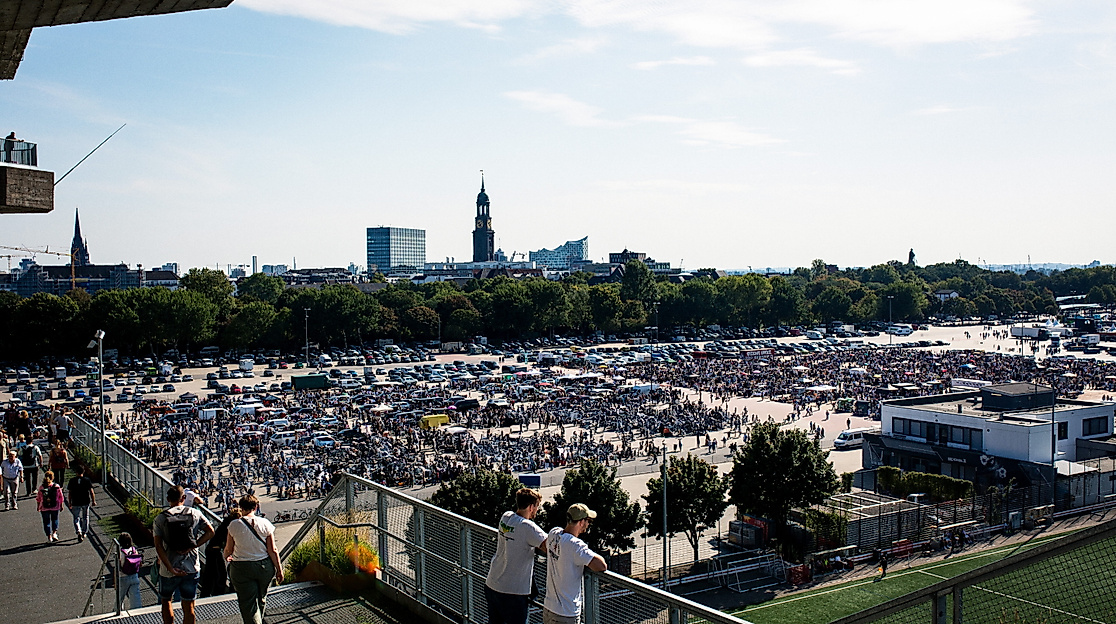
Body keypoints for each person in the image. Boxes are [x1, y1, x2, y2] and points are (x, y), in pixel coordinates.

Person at [485, 488, 547, 624]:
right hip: (513, 592)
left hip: (493, 583)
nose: (537, 510)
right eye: (536, 506)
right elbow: (550, 546)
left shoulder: (506, 517)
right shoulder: (528, 527)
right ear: (531, 507)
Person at [154, 485, 215, 624]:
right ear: (184, 498)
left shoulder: (160, 518)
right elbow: (210, 532)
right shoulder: (195, 513)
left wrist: (169, 568)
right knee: (189, 606)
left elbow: (158, 546)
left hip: (169, 567)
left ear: (168, 499)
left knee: (166, 601)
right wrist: (193, 545)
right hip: (191, 566)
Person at [223, 494, 283, 624]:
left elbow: (228, 549)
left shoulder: (234, 525)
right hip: (264, 566)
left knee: (248, 603)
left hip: (242, 566)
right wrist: (279, 569)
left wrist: (226, 557)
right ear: (256, 507)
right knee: (261, 598)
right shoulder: (265, 523)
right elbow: (272, 550)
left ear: (241, 507)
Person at [543, 503, 607, 624]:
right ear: (581, 522)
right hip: (566, 613)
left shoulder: (553, 533)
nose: (588, 524)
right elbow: (601, 566)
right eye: (588, 521)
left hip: (549, 607)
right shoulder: (576, 546)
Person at [200, 506, 241, 598]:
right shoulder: (231, 525)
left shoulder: (226, 523)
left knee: (210, 574)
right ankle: (217, 595)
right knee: (221, 575)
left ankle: (206, 594)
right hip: (216, 550)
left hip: (212, 549)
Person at [67, 464, 97, 542]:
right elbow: (91, 491)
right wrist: (93, 501)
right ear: (83, 472)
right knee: (85, 517)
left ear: (76, 472)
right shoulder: (87, 480)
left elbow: (70, 493)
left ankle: (78, 531)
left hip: (75, 501)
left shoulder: (72, 480)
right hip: (85, 501)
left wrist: (69, 502)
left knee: (76, 517)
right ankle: (84, 532)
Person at [118, 532, 144, 611]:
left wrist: (115, 581)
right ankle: (137, 613)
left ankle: (118, 612)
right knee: (135, 597)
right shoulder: (134, 550)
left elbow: (118, 567)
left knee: (119, 597)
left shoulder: (121, 552)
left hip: (123, 577)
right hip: (134, 576)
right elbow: (139, 564)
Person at [36, 470, 65, 542]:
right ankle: (54, 533)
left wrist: (38, 506)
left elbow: (38, 498)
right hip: (55, 506)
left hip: (44, 507)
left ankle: (49, 537)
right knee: (55, 519)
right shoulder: (56, 486)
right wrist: (61, 505)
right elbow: (61, 497)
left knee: (46, 522)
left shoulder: (41, 487)